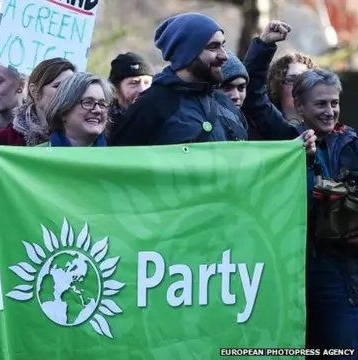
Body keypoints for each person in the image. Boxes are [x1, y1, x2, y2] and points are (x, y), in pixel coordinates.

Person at [109, 13, 315, 151]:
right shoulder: (151, 105)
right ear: (186, 53)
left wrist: (294, 151)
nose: (224, 55)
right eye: (213, 47)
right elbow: (119, 170)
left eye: (223, 46)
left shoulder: (225, 104)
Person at [288, 69, 358, 358]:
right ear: (299, 106)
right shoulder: (283, 144)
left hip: (342, 273)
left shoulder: (353, 146)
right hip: (293, 272)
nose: (330, 111)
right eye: (321, 104)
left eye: (334, 103)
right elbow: (255, 101)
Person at [0, 58, 75, 146]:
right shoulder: (1, 140)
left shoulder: (84, 136)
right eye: (59, 86)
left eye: (72, 86)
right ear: (35, 91)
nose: (68, 92)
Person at [39, 73, 113, 147]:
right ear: (64, 111)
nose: (98, 110)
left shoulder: (115, 157)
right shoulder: (37, 155)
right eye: (88, 102)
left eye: (102, 104)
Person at [107, 52, 154, 137]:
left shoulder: (163, 119)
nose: (143, 89)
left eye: (147, 83)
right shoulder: (103, 125)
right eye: (134, 83)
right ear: (115, 91)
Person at [268, 52, 316, 125]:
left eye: (306, 79)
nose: (301, 85)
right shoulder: (266, 126)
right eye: (291, 80)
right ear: (276, 86)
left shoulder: (326, 127)